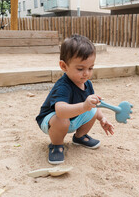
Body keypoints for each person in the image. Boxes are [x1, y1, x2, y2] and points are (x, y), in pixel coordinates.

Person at [36, 34, 115, 164]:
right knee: (63, 119)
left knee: (93, 110)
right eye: (80, 69)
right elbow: (60, 111)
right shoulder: (63, 86)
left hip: (72, 118)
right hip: (52, 120)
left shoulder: (87, 84)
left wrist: (102, 118)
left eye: (90, 68)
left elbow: (93, 107)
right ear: (64, 66)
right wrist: (84, 106)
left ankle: (80, 137)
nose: (86, 73)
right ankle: (56, 145)